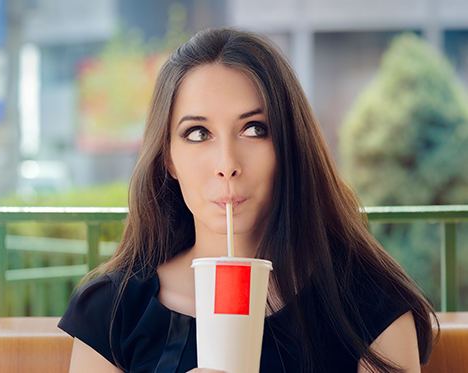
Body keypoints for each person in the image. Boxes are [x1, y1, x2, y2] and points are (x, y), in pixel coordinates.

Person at [58, 27, 438, 373]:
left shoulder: (368, 303)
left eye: (254, 129)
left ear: (289, 146)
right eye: (197, 133)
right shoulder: (113, 309)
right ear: (168, 157)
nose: (227, 165)